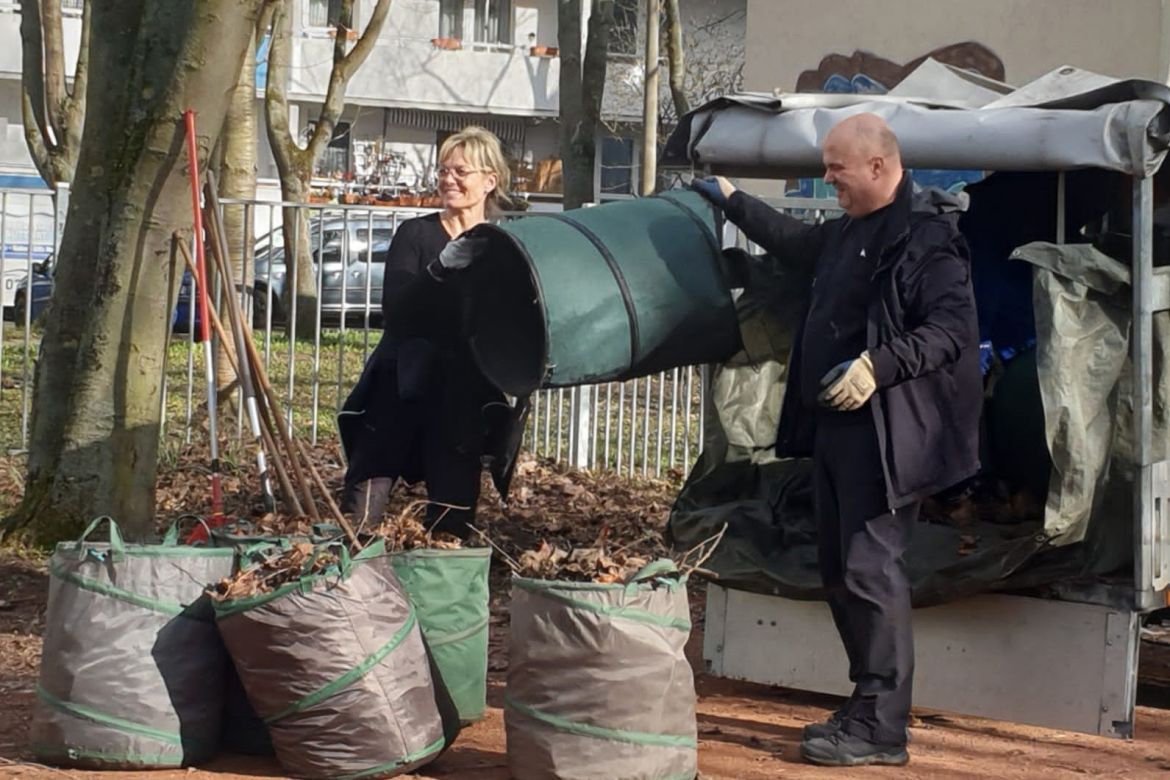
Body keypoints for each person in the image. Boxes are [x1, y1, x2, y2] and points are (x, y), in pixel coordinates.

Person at [691, 113, 981, 767]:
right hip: (836, 431)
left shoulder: (925, 239)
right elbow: (795, 243)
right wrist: (732, 201)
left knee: (869, 570)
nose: (827, 179)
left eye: (835, 167)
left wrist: (878, 366)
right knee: (838, 571)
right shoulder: (851, 230)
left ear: (877, 167)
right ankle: (867, 704)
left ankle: (882, 729)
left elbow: (952, 331)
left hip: (889, 438)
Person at [339, 125, 515, 537]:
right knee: (365, 504)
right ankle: (350, 586)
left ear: (490, 181)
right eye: (442, 171)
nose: (447, 180)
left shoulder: (499, 246)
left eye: (460, 171)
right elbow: (396, 310)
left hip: (461, 395)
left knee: (453, 509)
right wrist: (440, 269)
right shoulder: (415, 235)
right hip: (400, 384)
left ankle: (439, 588)